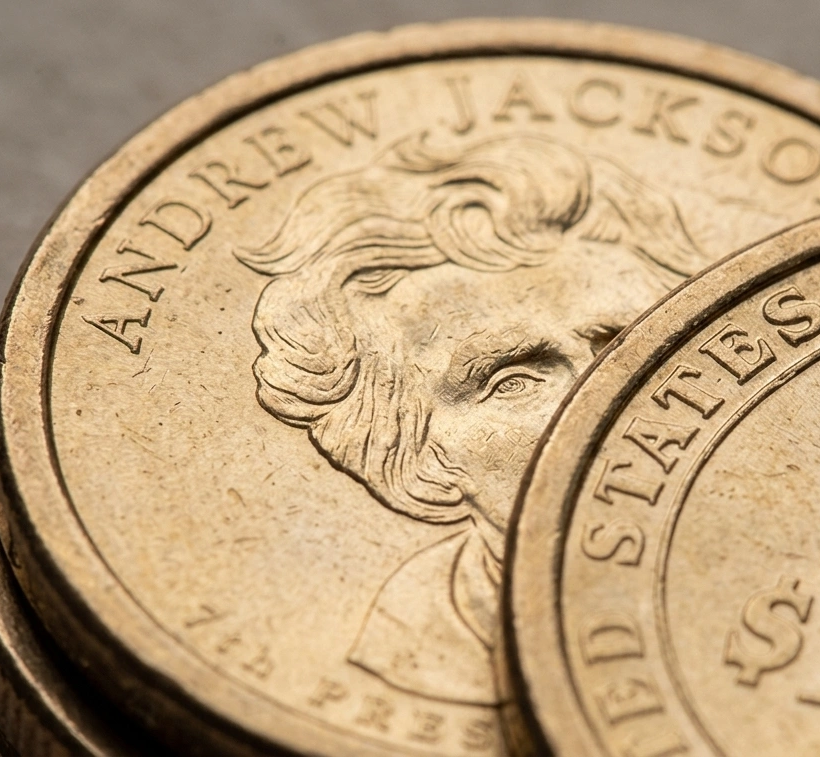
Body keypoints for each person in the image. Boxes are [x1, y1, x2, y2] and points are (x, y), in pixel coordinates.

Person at [236, 131, 707, 705]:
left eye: (623, 343)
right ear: (418, 464)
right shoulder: (412, 663)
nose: (608, 393)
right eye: (514, 382)